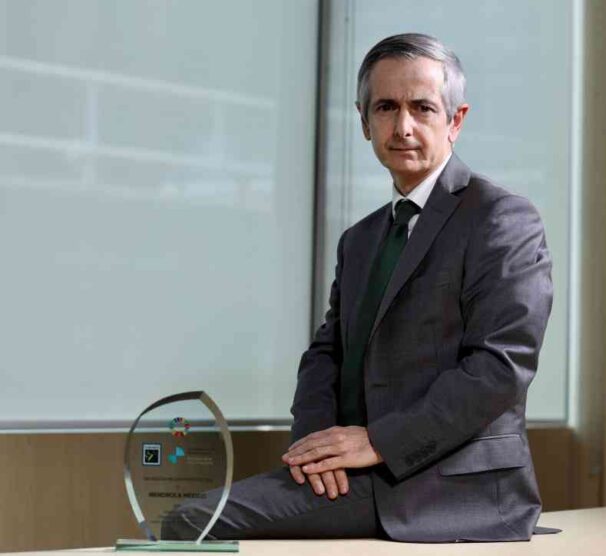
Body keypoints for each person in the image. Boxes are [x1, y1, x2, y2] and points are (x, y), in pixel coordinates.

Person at [164, 32, 553, 543]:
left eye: (422, 108)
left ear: (455, 120)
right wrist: (316, 449)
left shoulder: (500, 218)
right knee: (188, 519)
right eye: (386, 107)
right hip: (355, 474)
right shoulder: (361, 239)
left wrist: (377, 442)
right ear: (364, 121)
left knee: (190, 521)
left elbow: (500, 367)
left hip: (450, 486)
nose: (403, 126)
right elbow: (327, 354)